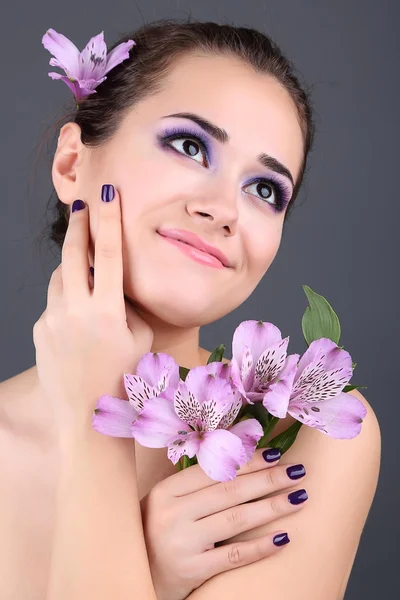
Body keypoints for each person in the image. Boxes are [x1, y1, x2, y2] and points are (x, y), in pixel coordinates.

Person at [0, 18, 381, 600]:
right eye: (188, 145)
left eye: (264, 190)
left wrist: (90, 425)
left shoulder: (306, 433)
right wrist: (151, 572)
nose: (224, 209)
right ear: (73, 165)